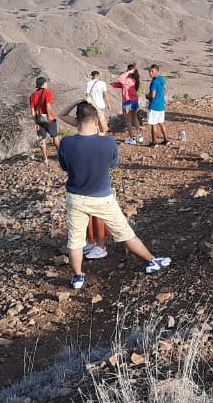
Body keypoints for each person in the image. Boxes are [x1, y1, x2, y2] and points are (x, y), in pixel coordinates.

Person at [58, 101, 170, 288]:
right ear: (96, 120)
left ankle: (77, 276)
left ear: (77, 120)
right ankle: (151, 261)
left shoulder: (66, 143)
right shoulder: (107, 142)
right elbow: (113, 164)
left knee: (76, 240)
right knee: (125, 233)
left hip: (76, 197)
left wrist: (77, 102)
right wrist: (97, 109)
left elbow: (64, 166)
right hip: (102, 197)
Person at [28, 76, 60, 162]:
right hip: (48, 118)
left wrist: (35, 123)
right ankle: (59, 156)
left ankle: (45, 158)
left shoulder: (32, 96)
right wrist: (50, 117)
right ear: (43, 84)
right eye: (46, 83)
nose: (47, 84)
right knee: (55, 136)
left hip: (39, 120)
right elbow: (48, 105)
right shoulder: (47, 92)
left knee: (42, 138)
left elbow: (32, 111)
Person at [111, 64, 142, 144]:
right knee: (134, 118)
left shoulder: (127, 79)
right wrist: (112, 85)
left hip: (127, 101)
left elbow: (120, 78)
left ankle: (132, 138)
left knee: (128, 120)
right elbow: (121, 84)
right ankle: (139, 136)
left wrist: (128, 72)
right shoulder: (134, 79)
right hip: (135, 100)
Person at [146, 64, 169, 147]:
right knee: (162, 123)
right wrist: (161, 96)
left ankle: (154, 142)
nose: (150, 73)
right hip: (161, 106)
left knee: (153, 124)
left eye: (152, 71)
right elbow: (166, 89)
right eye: (149, 71)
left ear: (157, 71)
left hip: (154, 106)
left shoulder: (154, 82)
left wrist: (147, 96)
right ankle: (166, 140)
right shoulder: (161, 79)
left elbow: (152, 95)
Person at [84, 70, 111, 135]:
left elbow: (87, 96)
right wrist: (108, 104)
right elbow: (105, 94)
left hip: (92, 105)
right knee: (101, 119)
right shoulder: (103, 83)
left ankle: (96, 133)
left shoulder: (88, 84)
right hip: (101, 104)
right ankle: (102, 133)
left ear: (92, 76)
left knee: (94, 120)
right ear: (98, 76)